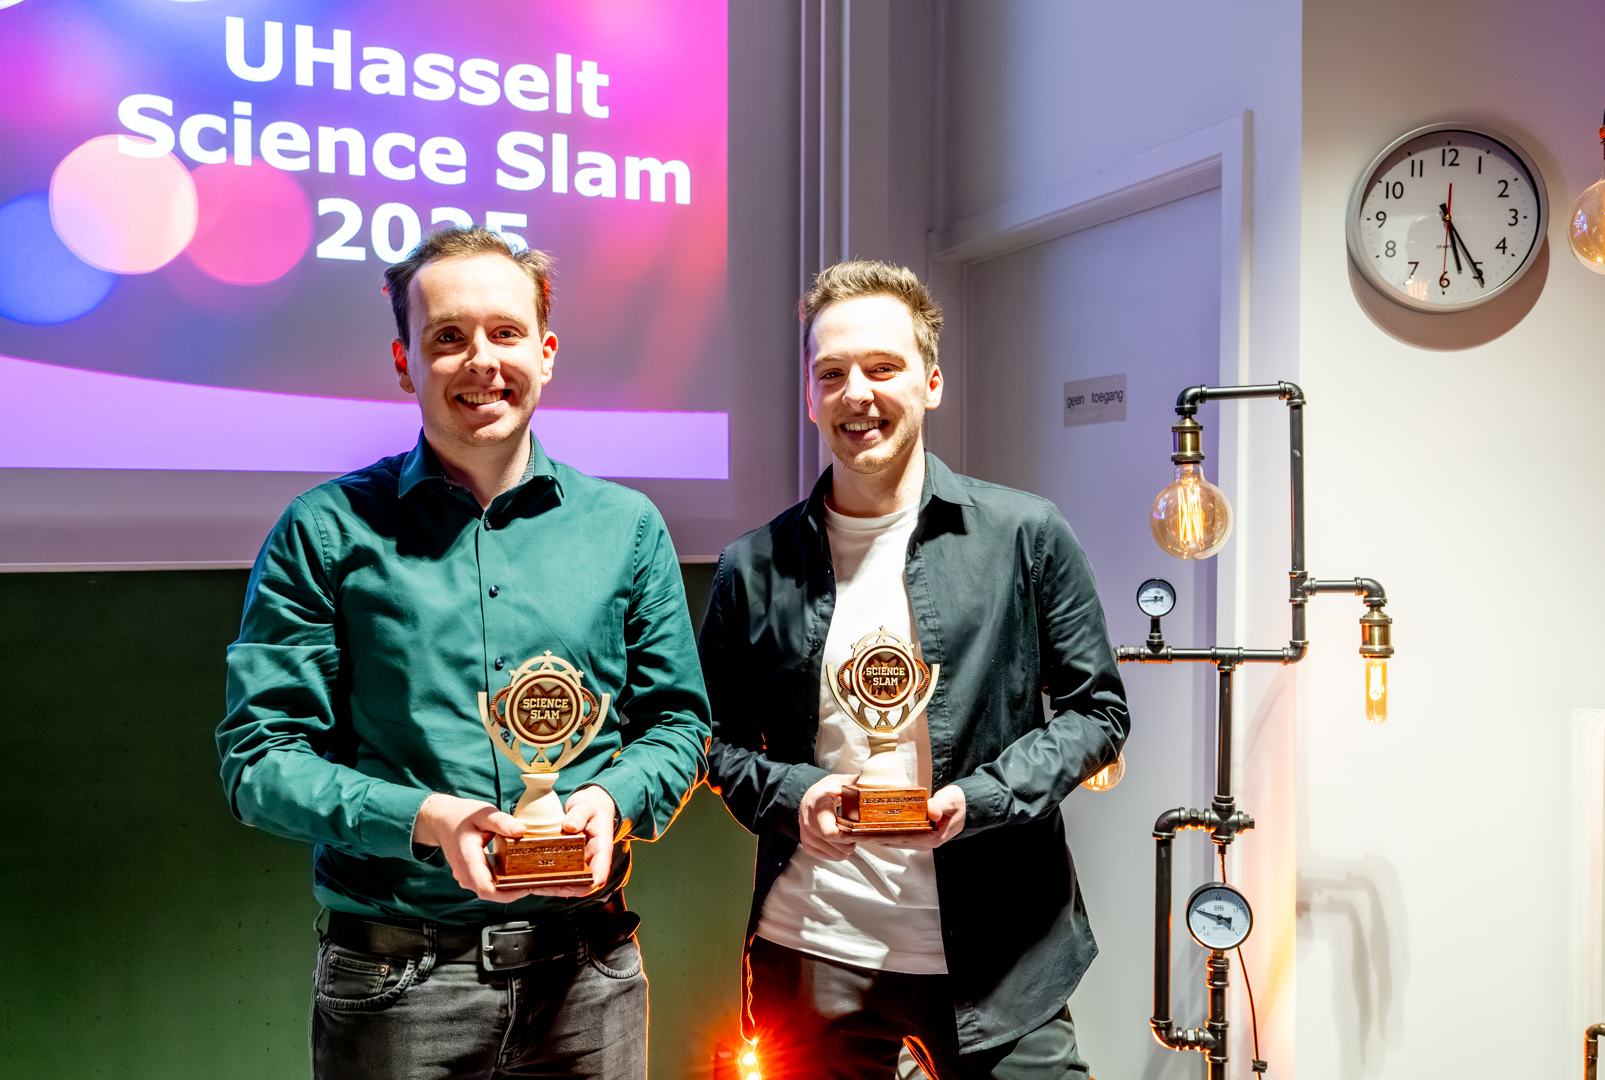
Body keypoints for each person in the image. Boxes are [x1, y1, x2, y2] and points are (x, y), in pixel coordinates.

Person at [218, 226, 710, 1080]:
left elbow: (679, 725)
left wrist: (611, 801)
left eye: (505, 331)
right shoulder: (324, 532)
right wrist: (428, 821)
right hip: (398, 983)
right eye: (448, 336)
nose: (481, 360)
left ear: (545, 353)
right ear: (405, 363)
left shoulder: (627, 529)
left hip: (589, 975)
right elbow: (259, 763)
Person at [699, 261, 1129, 1080]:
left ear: (931, 383)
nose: (856, 393)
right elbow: (708, 741)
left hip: (1003, 956)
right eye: (832, 373)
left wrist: (982, 798)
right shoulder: (752, 566)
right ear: (810, 394)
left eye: (882, 367)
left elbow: (1097, 713)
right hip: (814, 952)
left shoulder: (1027, 535)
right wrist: (794, 795)